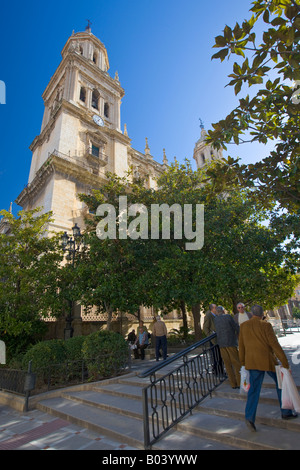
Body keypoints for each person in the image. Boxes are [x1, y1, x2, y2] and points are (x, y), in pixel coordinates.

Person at [239, 304, 297, 432]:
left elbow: (241, 346)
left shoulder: (243, 326)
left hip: (252, 362)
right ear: (262, 314)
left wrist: (243, 363)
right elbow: (274, 345)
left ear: (251, 314)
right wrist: (285, 363)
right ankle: (286, 411)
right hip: (267, 360)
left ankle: (249, 417)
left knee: (253, 390)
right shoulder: (265, 325)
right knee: (280, 384)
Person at [214, 306, 241, 389]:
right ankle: (239, 382)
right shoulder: (228, 317)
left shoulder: (216, 319)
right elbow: (236, 327)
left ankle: (233, 383)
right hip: (230, 342)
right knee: (236, 362)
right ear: (223, 311)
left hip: (221, 344)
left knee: (227, 364)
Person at [203, 304, 224, 375]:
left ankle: (220, 370)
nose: (217, 309)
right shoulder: (208, 316)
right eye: (215, 308)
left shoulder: (217, 315)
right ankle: (216, 371)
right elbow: (205, 328)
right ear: (212, 309)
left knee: (220, 356)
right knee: (216, 356)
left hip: (220, 339)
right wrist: (210, 336)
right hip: (214, 339)